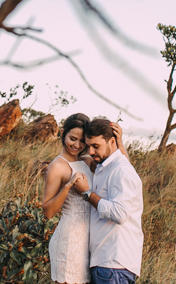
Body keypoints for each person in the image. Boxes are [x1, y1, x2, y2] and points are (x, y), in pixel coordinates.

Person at [42, 114, 127, 284]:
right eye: (72, 139)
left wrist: (119, 142)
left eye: (82, 141)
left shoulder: (86, 161)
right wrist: (68, 186)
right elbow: (48, 212)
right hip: (69, 239)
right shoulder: (57, 166)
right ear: (63, 134)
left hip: (88, 242)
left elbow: (122, 168)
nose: (77, 145)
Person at [72, 118, 143, 284]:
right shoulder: (106, 167)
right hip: (105, 261)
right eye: (88, 146)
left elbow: (120, 214)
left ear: (112, 141)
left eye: (96, 146)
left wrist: (87, 193)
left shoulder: (121, 170)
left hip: (113, 263)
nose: (91, 151)